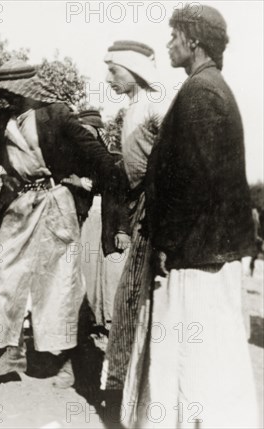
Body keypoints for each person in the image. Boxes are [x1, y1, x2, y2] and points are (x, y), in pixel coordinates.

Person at [124, 5, 259, 427]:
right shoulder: (208, 87)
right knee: (205, 354)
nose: (169, 43)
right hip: (204, 251)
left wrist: (167, 242)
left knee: (191, 355)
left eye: (174, 36)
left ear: (193, 41)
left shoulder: (201, 93)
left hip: (196, 255)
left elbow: (194, 182)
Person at [0, 60, 129, 389]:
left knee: (58, 287)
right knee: (6, 275)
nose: (5, 96)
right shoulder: (4, 119)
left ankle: (69, 362)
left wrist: (87, 190)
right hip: (19, 207)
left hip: (53, 206)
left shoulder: (57, 114)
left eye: (9, 90)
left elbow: (99, 158)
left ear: (25, 87)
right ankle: (10, 347)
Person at [100, 40, 165, 414]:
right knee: (128, 299)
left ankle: (131, 388)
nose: (109, 78)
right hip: (140, 209)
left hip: (154, 213)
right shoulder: (132, 109)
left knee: (138, 298)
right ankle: (120, 384)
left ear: (134, 70)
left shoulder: (156, 107)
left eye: (114, 70)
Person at [77, 109, 128, 330]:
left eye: (89, 132)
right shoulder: (77, 162)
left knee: (111, 272)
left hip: (109, 223)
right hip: (87, 221)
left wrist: (123, 229)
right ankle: (88, 319)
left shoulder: (115, 162)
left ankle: (109, 320)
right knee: (85, 268)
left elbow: (124, 199)